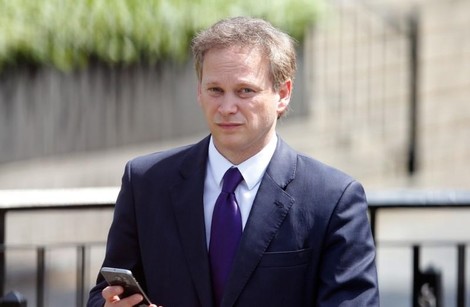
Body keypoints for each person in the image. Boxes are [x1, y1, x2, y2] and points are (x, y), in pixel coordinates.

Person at [87, 16, 379, 307]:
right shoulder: (146, 182)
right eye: (215, 90)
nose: (227, 108)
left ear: (283, 94)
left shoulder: (332, 199)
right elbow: (104, 294)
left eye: (245, 91)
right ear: (199, 91)